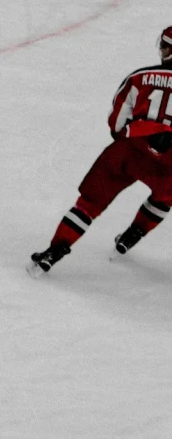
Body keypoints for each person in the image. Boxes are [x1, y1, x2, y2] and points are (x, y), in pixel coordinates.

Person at [30, 27, 172, 273]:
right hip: (168, 162)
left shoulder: (139, 77)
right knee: (165, 194)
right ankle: (134, 233)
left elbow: (116, 124)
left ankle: (54, 251)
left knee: (88, 203)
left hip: (128, 152)